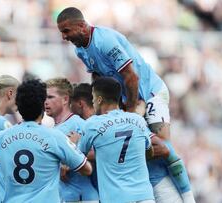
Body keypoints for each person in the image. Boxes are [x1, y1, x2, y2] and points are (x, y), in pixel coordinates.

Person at [57, 7, 195, 203]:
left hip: (150, 93)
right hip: (126, 99)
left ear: (81, 26)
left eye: (66, 31)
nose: (64, 37)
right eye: (61, 32)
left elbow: (131, 76)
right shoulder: (80, 50)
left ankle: (188, 196)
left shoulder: (105, 41)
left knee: (163, 145)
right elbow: (97, 75)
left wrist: (130, 113)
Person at [0, 79, 92, 203]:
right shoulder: (55, 137)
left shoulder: (0, 138)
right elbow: (86, 169)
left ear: (18, 105)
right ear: (41, 106)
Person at [79, 77, 154, 203]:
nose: (92, 102)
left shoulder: (92, 124)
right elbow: (149, 152)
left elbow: (78, 159)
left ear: (99, 99)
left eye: (92, 98)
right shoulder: (138, 120)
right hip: (145, 196)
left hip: (116, 198)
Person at [45, 78, 99, 203]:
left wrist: (71, 158)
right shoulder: (53, 128)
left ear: (65, 99)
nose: (45, 102)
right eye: (44, 98)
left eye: (50, 97)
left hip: (82, 197)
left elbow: (99, 152)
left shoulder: (78, 123)